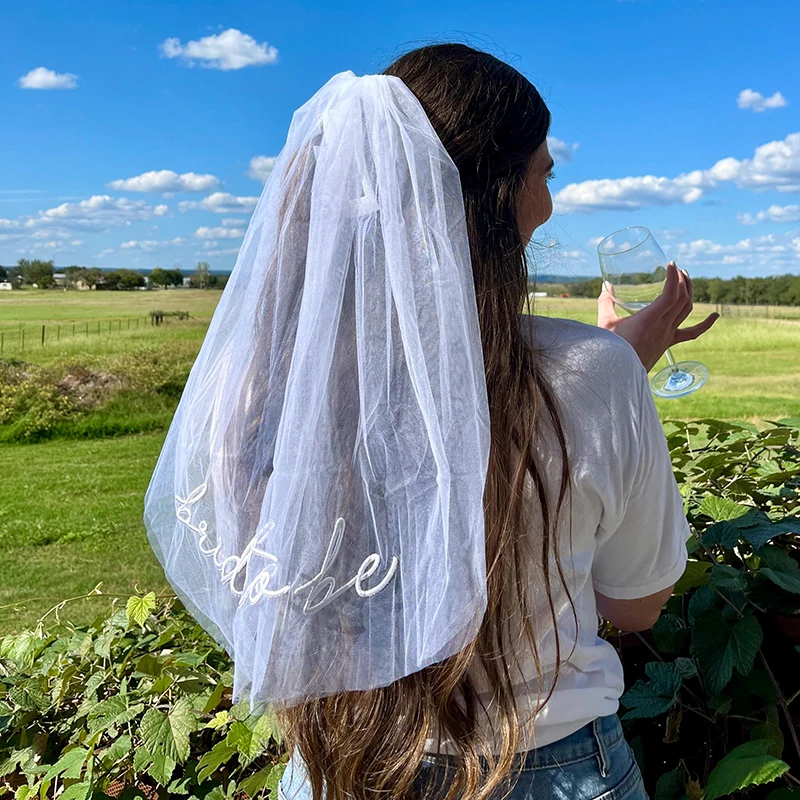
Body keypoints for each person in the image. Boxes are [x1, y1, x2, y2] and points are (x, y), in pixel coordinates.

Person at [274, 43, 719, 800]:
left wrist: (604, 365)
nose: (550, 202)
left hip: (332, 765)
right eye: (545, 174)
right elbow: (635, 602)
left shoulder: (281, 377)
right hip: (546, 768)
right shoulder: (595, 374)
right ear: (500, 196)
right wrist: (610, 368)